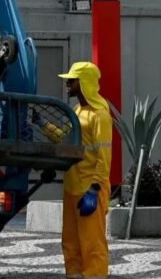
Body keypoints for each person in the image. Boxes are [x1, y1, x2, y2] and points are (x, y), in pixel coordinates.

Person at [34, 62, 112, 279]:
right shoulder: (78, 111)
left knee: (92, 242)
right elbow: (67, 141)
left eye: (72, 80)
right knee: (70, 241)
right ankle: (75, 275)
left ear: (84, 82)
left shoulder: (100, 115)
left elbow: (104, 157)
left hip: (89, 191)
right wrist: (43, 125)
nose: (67, 84)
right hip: (73, 188)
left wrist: (95, 189)